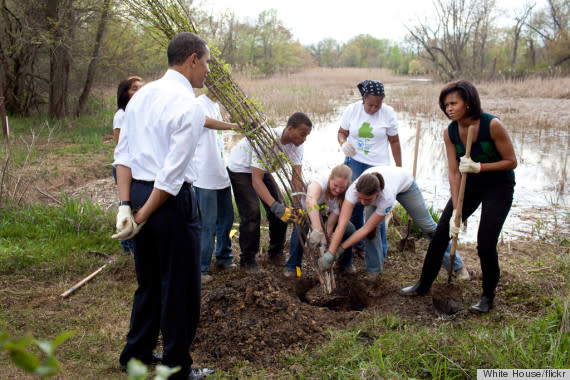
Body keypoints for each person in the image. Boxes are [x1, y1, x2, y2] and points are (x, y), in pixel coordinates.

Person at [112, 32, 237, 379]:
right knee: (181, 285)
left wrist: (127, 205)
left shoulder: (143, 95)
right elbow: (171, 175)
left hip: (138, 193)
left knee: (149, 280)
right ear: (193, 59)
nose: (208, 71)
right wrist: (141, 214)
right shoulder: (189, 106)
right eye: (208, 62)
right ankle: (176, 368)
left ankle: (135, 355)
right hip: (168, 203)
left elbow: (122, 155)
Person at [401, 80, 517, 313]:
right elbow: (454, 171)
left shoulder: (492, 125)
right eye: (446, 105)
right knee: (441, 232)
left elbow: (511, 161)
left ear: (468, 102)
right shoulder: (450, 131)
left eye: (454, 103)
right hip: (469, 184)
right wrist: (456, 209)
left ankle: (487, 296)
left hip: (498, 185)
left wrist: (480, 167)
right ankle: (424, 284)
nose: (449, 108)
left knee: (485, 242)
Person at [318, 166, 469, 281]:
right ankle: (374, 273)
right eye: (360, 199)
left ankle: (457, 267)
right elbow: (342, 224)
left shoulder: (386, 197)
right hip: (374, 186)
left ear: (377, 194)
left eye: (367, 200)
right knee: (373, 234)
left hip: (406, 186)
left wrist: (341, 249)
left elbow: (366, 228)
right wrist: (331, 252)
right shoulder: (353, 190)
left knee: (429, 228)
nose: (363, 203)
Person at [227, 112, 312, 272]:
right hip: (240, 168)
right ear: (289, 129)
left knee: (282, 209)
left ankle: (275, 253)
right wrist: (274, 206)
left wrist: (296, 203)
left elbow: (296, 177)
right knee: (252, 212)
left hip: (262, 170)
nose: (304, 139)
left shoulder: (297, 146)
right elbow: (256, 181)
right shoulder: (267, 141)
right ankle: (247, 260)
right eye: (302, 134)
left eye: (306, 135)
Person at [337, 80, 402, 259]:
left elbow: (394, 142)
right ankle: (358, 244)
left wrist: (399, 168)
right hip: (355, 161)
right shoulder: (352, 110)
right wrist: (344, 144)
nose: (374, 109)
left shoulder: (388, 114)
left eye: (378, 105)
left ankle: (380, 250)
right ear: (363, 98)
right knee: (355, 204)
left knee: (376, 207)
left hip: (378, 165)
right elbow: (342, 132)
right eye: (370, 104)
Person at [193, 90, 236, 284]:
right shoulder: (198, 103)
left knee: (226, 219)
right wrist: (234, 126)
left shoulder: (216, 106)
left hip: (220, 174)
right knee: (207, 225)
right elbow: (206, 122)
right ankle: (200, 269)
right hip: (204, 177)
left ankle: (224, 258)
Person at [285, 164, 356, 277]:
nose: (337, 190)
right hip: (307, 211)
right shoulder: (320, 181)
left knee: (349, 229)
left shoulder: (345, 196)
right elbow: (310, 201)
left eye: (342, 187)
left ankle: (344, 264)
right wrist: (317, 229)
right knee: (300, 228)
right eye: (335, 185)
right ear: (330, 178)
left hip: (325, 214)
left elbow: (329, 225)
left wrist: (323, 248)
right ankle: (293, 267)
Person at [112, 75, 143, 255]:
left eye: (140, 88)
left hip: (135, 167)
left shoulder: (137, 113)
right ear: (125, 94)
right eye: (134, 88)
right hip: (125, 168)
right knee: (127, 204)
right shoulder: (122, 115)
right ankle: (128, 246)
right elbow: (121, 148)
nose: (139, 91)